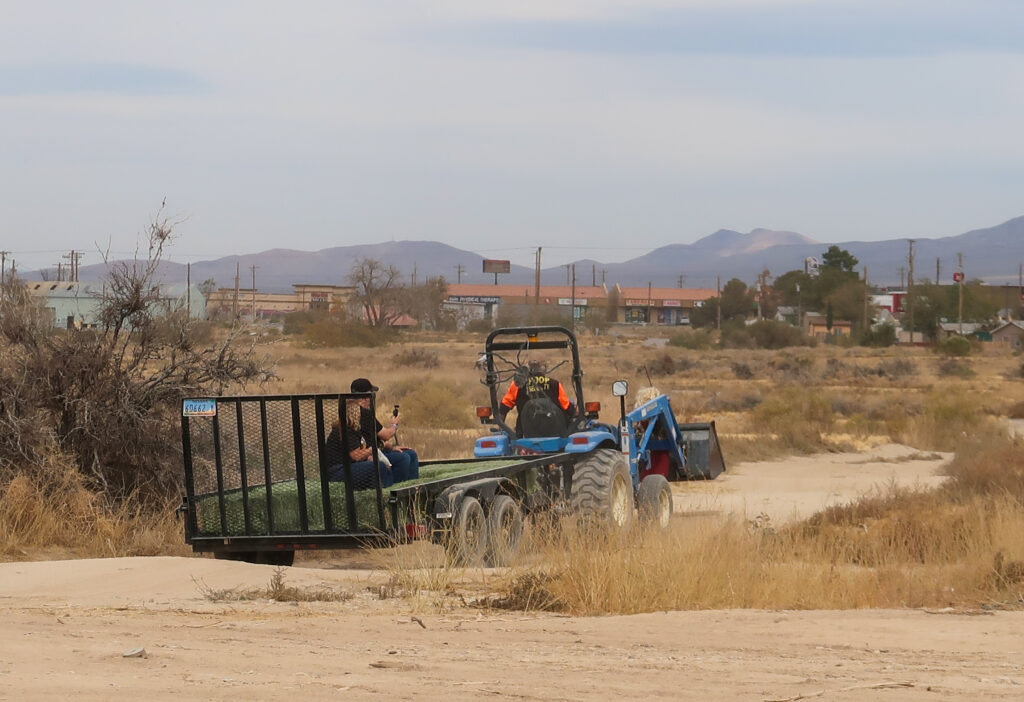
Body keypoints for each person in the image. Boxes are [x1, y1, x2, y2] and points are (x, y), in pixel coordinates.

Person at [326, 378, 419, 486]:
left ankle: (410, 490)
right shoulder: (345, 428)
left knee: (406, 455)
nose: (361, 413)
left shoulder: (356, 428)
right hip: (338, 470)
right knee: (386, 464)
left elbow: (365, 446)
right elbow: (356, 455)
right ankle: (391, 494)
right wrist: (393, 426)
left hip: (351, 465)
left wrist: (388, 448)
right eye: (357, 412)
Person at [499, 359, 575, 437]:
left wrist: (501, 428)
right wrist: (575, 412)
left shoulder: (517, 386)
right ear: (544, 370)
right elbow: (567, 407)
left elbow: (503, 408)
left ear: (528, 370)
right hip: (555, 433)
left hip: (525, 433)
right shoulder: (555, 384)